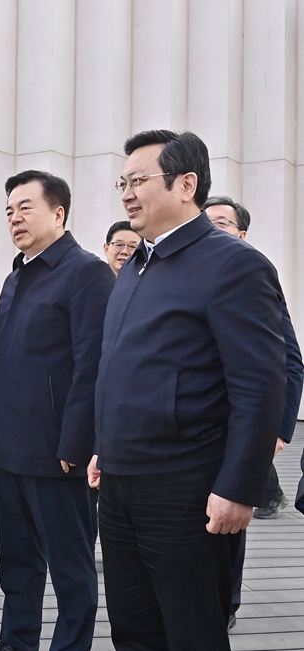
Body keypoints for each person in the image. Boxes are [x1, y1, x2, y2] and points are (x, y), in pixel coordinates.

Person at [89, 130, 287, 651]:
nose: (127, 193)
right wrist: (104, 446)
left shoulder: (233, 264)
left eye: (138, 180)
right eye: (122, 183)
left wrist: (239, 487)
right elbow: (120, 371)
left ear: (186, 184)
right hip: (119, 484)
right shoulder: (136, 266)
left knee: (192, 632)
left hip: (186, 489)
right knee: (133, 630)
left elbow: (259, 387)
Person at [0, 170, 114, 651]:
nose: (14, 218)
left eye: (25, 207)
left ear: (58, 213)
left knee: (70, 569)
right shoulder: (16, 275)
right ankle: (16, 642)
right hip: (7, 445)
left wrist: (76, 442)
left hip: (57, 451)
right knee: (16, 561)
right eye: (9, 210)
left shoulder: (87, 272)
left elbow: (93, 365)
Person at [202, 195, 304, 628]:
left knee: (228, 526)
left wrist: (278, 431)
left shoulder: (251, 273)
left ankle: (227, 604)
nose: (213, 228)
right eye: (207, 221)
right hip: (182, 434)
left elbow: (290, 361)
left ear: (242, 234)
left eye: (223, 223)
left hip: (234, 430)